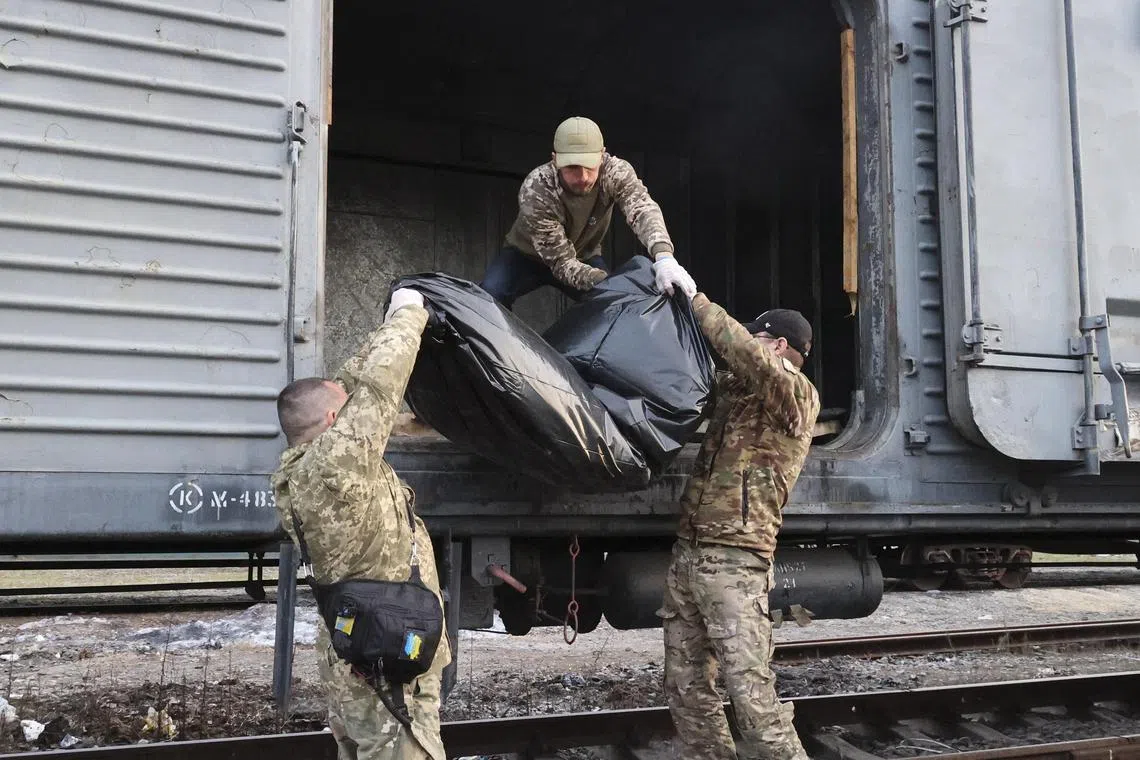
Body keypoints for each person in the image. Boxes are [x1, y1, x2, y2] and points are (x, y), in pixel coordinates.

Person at [270, 287, 449, 760]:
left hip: (360, 654)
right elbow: (378, 385)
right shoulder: (336, 464)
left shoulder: (303, 469)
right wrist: (409, 315)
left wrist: (384, 322)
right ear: (335, 421)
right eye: (343, 409)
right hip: (387, 660)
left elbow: (350, 384)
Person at [659, 295, 821, 760]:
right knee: (686, 688)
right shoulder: (738, 393)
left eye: (759, 335)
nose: (750, 341)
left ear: (779, 345)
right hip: (690, 554)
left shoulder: (797, 396)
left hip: (735, 559)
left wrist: (695, 299)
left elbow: (750, 357)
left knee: (752, 698)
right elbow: (724, 365)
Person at [480, 116, 696, 309]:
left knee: (612, 305)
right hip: (526, 257)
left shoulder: (615, 172)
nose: (583, 177)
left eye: (589, 166)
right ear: (555, 160)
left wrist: (664, 257)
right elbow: (562, 264)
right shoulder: (537, 188)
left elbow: (642, 208)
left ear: (602, 156)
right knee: (490, 296)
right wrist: (613, 283)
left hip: (584, 255)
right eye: (572, 167)